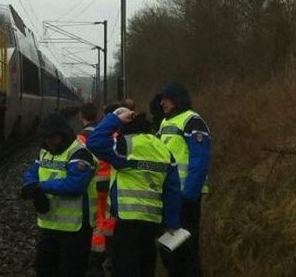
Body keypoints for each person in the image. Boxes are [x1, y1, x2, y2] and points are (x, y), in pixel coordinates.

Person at [87, 107, 182, 277]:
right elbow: (173, 190)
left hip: (126, 220)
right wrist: (172, 223)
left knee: (125, 269)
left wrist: (115, 119)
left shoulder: (126, 145)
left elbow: (94, 141)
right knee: (146, 268)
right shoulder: (164, 149)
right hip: (153, 222)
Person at [21, 113, 98, 277]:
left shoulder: (80, 154)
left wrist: (40, 187)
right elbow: (32, 173)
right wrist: (30, 187)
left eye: (52, 137)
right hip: (49, 227)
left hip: (75, 230)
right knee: (44, 270)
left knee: (71, 271)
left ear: (62, 134)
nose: (48, 141)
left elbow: (74, 185)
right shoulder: (46, 152)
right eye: (45, 137)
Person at [157, 83, 211, 277]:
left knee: (187, 250)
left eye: (166, 98)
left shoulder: (192, 121)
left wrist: (188, 195)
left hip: (185, 196)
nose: (162, 103)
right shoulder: (165, 123)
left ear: (177, 99)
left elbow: (200, 159)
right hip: (170, 195)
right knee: (170, 249)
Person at [77, 103, 115, 276]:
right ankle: (108, 251)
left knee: (94, 219)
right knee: (105, 216)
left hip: (93, 185)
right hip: (108, 182)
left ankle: (94, 256)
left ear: (81, 117)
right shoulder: (106, 133)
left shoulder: (81, 138)